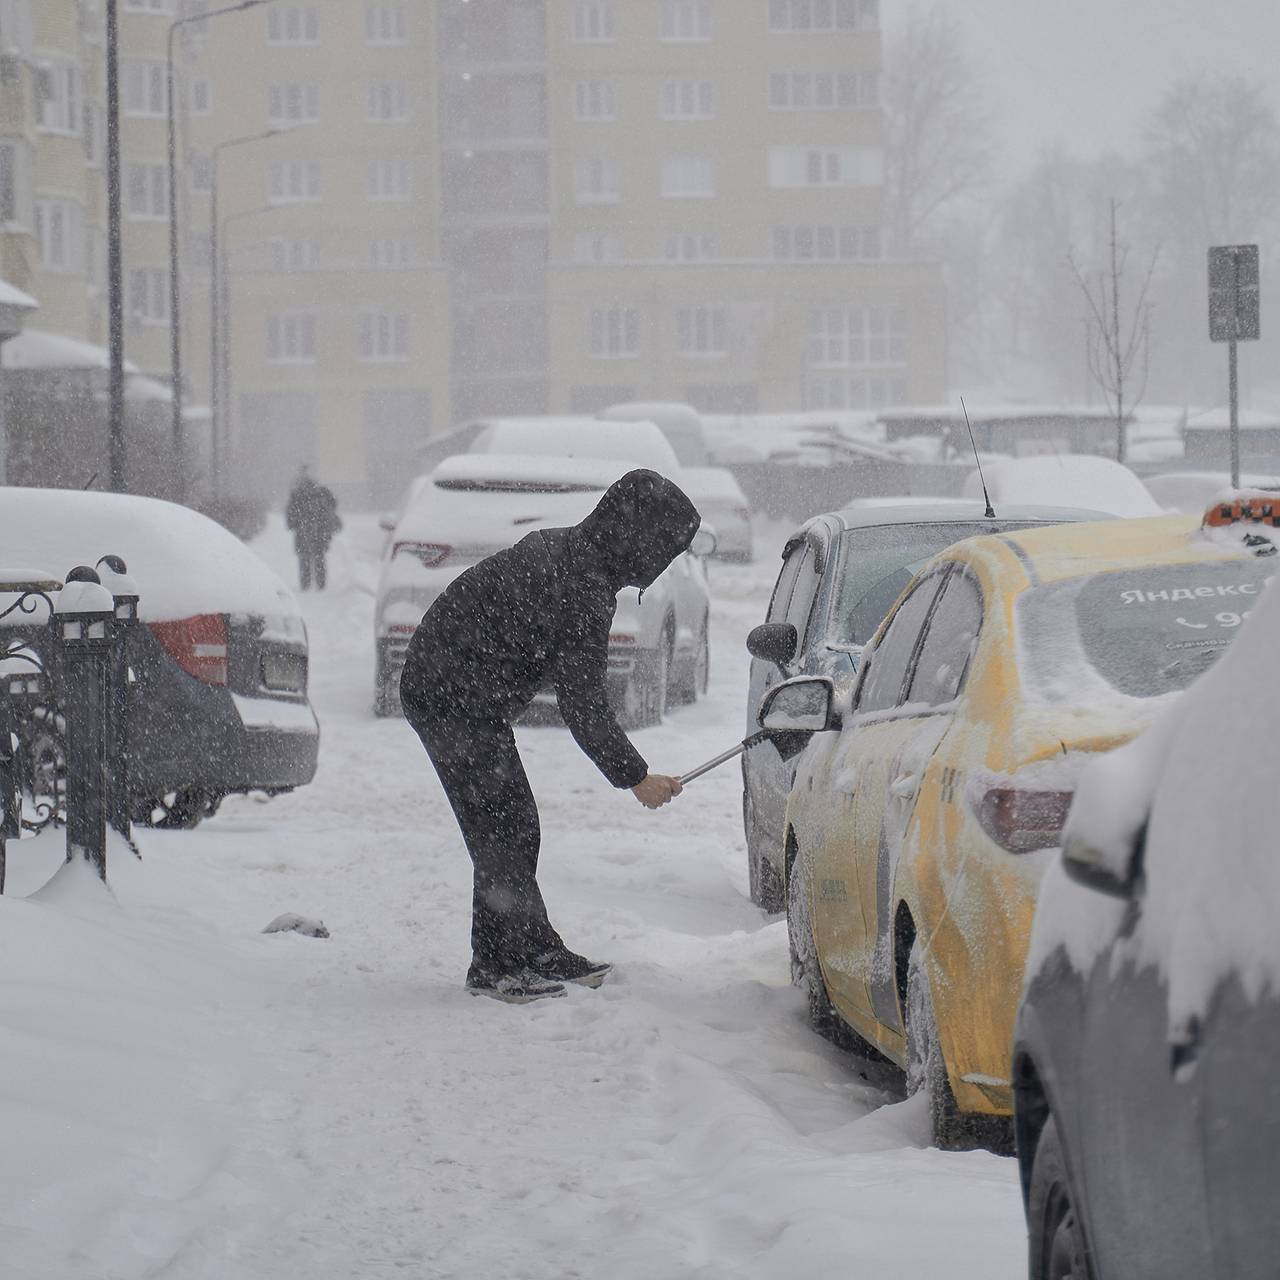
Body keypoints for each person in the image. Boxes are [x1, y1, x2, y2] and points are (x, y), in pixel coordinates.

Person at [400, 468, 701, 1004]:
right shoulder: (580, 582)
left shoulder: (577, 556)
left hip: (462, 690)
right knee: (503, 828)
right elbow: (583, 704)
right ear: (639, 538)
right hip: (448, 693)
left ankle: (534, 950)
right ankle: (495, 966)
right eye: (663, 549)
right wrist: (635, 777)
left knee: (513, 824)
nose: (662, 564)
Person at [285, 466, 342, 591]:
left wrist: (293, 524)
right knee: (319, 556)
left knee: (304, 558)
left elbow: (290, 513)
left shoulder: (297, 494)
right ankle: (321, 583)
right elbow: (333, 504)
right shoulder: (321, 492)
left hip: (302, 531)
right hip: (319, 530)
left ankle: (305, 584)